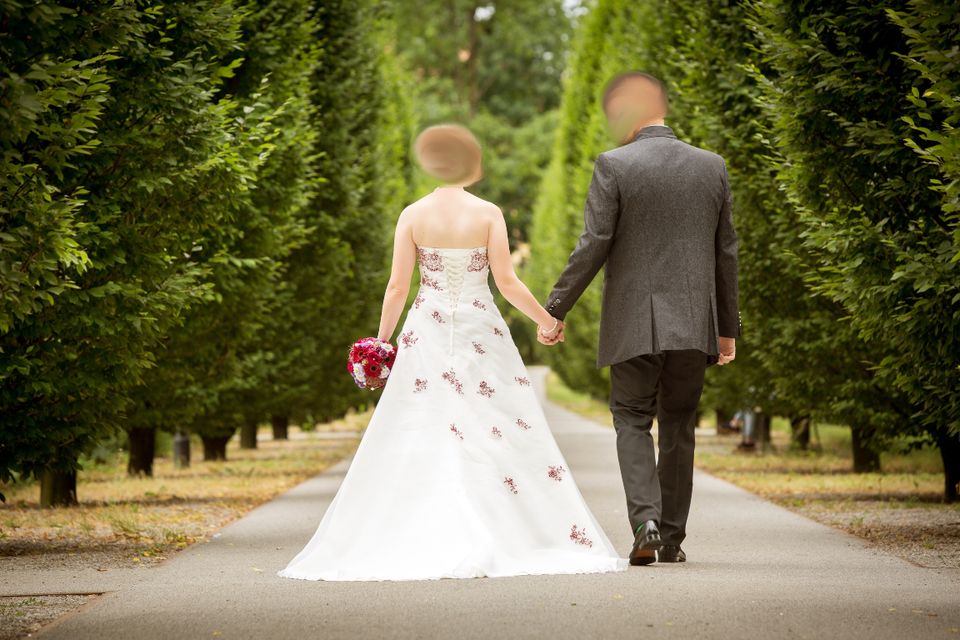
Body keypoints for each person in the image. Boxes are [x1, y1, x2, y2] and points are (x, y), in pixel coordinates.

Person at [277, 124, 628, 581]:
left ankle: (419, 528)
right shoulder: (488, 213)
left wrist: (381, 343)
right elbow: (506, 282)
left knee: (421, 419)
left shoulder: (412, 215)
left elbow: (399, 286)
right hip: (482, 331)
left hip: (427, 329)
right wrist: (546, 320)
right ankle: (511, 529)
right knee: (495, 424)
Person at [539, 71, 740, 565]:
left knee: (631, 419)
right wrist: (727, 329)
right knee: (678, 424)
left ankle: (644, 522)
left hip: (633, 321)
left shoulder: (613, 165)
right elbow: (726, 253)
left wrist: (554, 308)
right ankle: (671, 539)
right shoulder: (711, 167)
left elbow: (594, 244)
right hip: (695, 323)